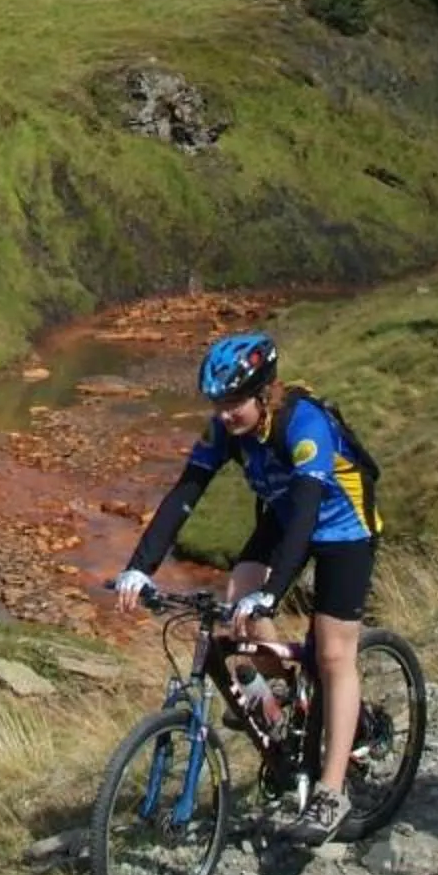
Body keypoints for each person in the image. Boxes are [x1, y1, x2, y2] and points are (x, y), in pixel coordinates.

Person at [112, 331, 382, 846]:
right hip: (285, 515)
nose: (225, 414)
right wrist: (139, 567)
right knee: (241, 607)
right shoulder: (225, 432)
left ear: (264, 393)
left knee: (332, 651)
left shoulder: (304, 424)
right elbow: (185, 493)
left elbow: (307, 514)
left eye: (235, 402)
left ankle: (331, 793)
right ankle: (295, 701)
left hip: (342, 525)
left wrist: (275, 590)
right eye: (218, 403)